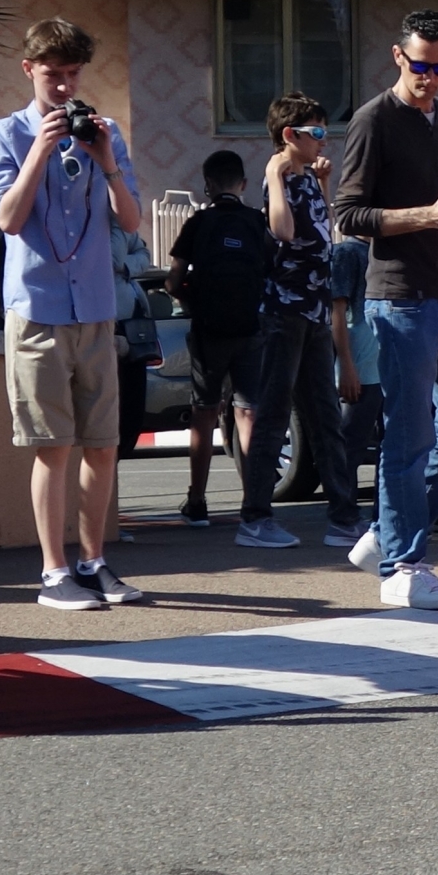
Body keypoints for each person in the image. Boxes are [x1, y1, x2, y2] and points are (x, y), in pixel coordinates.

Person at [332, 9, 438, 609]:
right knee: (409, 438)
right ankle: (403, 567)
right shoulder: (373, 120)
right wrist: (426, 217)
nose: (432, 77)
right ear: (397, 56)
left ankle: (386, 535)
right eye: (422, 65)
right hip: (399, 299)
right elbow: (348, 216)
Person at [0, 17, 147, 612]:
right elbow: (6, 217)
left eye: (73, 75)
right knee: (52, 445)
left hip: (96, 309)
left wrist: (105, 157)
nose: (64, 87)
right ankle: (55, 573)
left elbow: (130, 222)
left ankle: (94, 560)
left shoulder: (104, 134)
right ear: (29, 70)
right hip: (37, 309)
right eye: (53, 75)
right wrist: (40, 150)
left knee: (102, 444)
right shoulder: (4, 134)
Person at [235, 92, 359, 550]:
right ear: (291, 135)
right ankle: (255, 518)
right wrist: (273, 171)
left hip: (313, 310)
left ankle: (344, 517)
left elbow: (322, 234)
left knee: (325, 415)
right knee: (272, 414)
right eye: (317, 133)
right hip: (284, 313)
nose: (325, 141)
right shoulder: (280, 178)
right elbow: (284, 232)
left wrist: (322, 186)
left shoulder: (308, 177)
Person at [168, 152, 268, 526]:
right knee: (248, 411)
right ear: (242, 185)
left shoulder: (199, 223)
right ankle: (253, 501)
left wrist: (189, 300)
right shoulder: (257, 222)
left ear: (207, 185)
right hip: (250, 328)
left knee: (204, 412)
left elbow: (174, 280)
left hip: (210, 331)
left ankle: (197, 501)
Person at [326, 233, 382, 539]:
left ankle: (380, 517)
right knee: (350, 444)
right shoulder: (348, 251)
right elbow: (339, 311)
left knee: (387, 447)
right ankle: (341, 518)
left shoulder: (381, 249)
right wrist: (346, 366)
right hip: (359, 366)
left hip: (383, 366)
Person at [111, 220, 154, 462]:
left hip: (129, 325)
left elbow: (143, 254)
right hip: (95, 322)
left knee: (132, 406)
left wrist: (126, 266)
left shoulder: (121, 223)